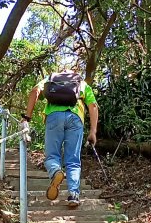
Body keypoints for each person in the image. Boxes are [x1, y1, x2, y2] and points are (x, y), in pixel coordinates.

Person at [21, 69, 98, 208]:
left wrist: (27, 117)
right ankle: (73, 195)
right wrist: (93, 131)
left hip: (54, 117)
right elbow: (93, 106)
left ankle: (56, 171)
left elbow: (34, 91)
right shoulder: (81, 83)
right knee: (73, 160)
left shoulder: (51, 79)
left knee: (52, 156)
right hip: (75, 118)